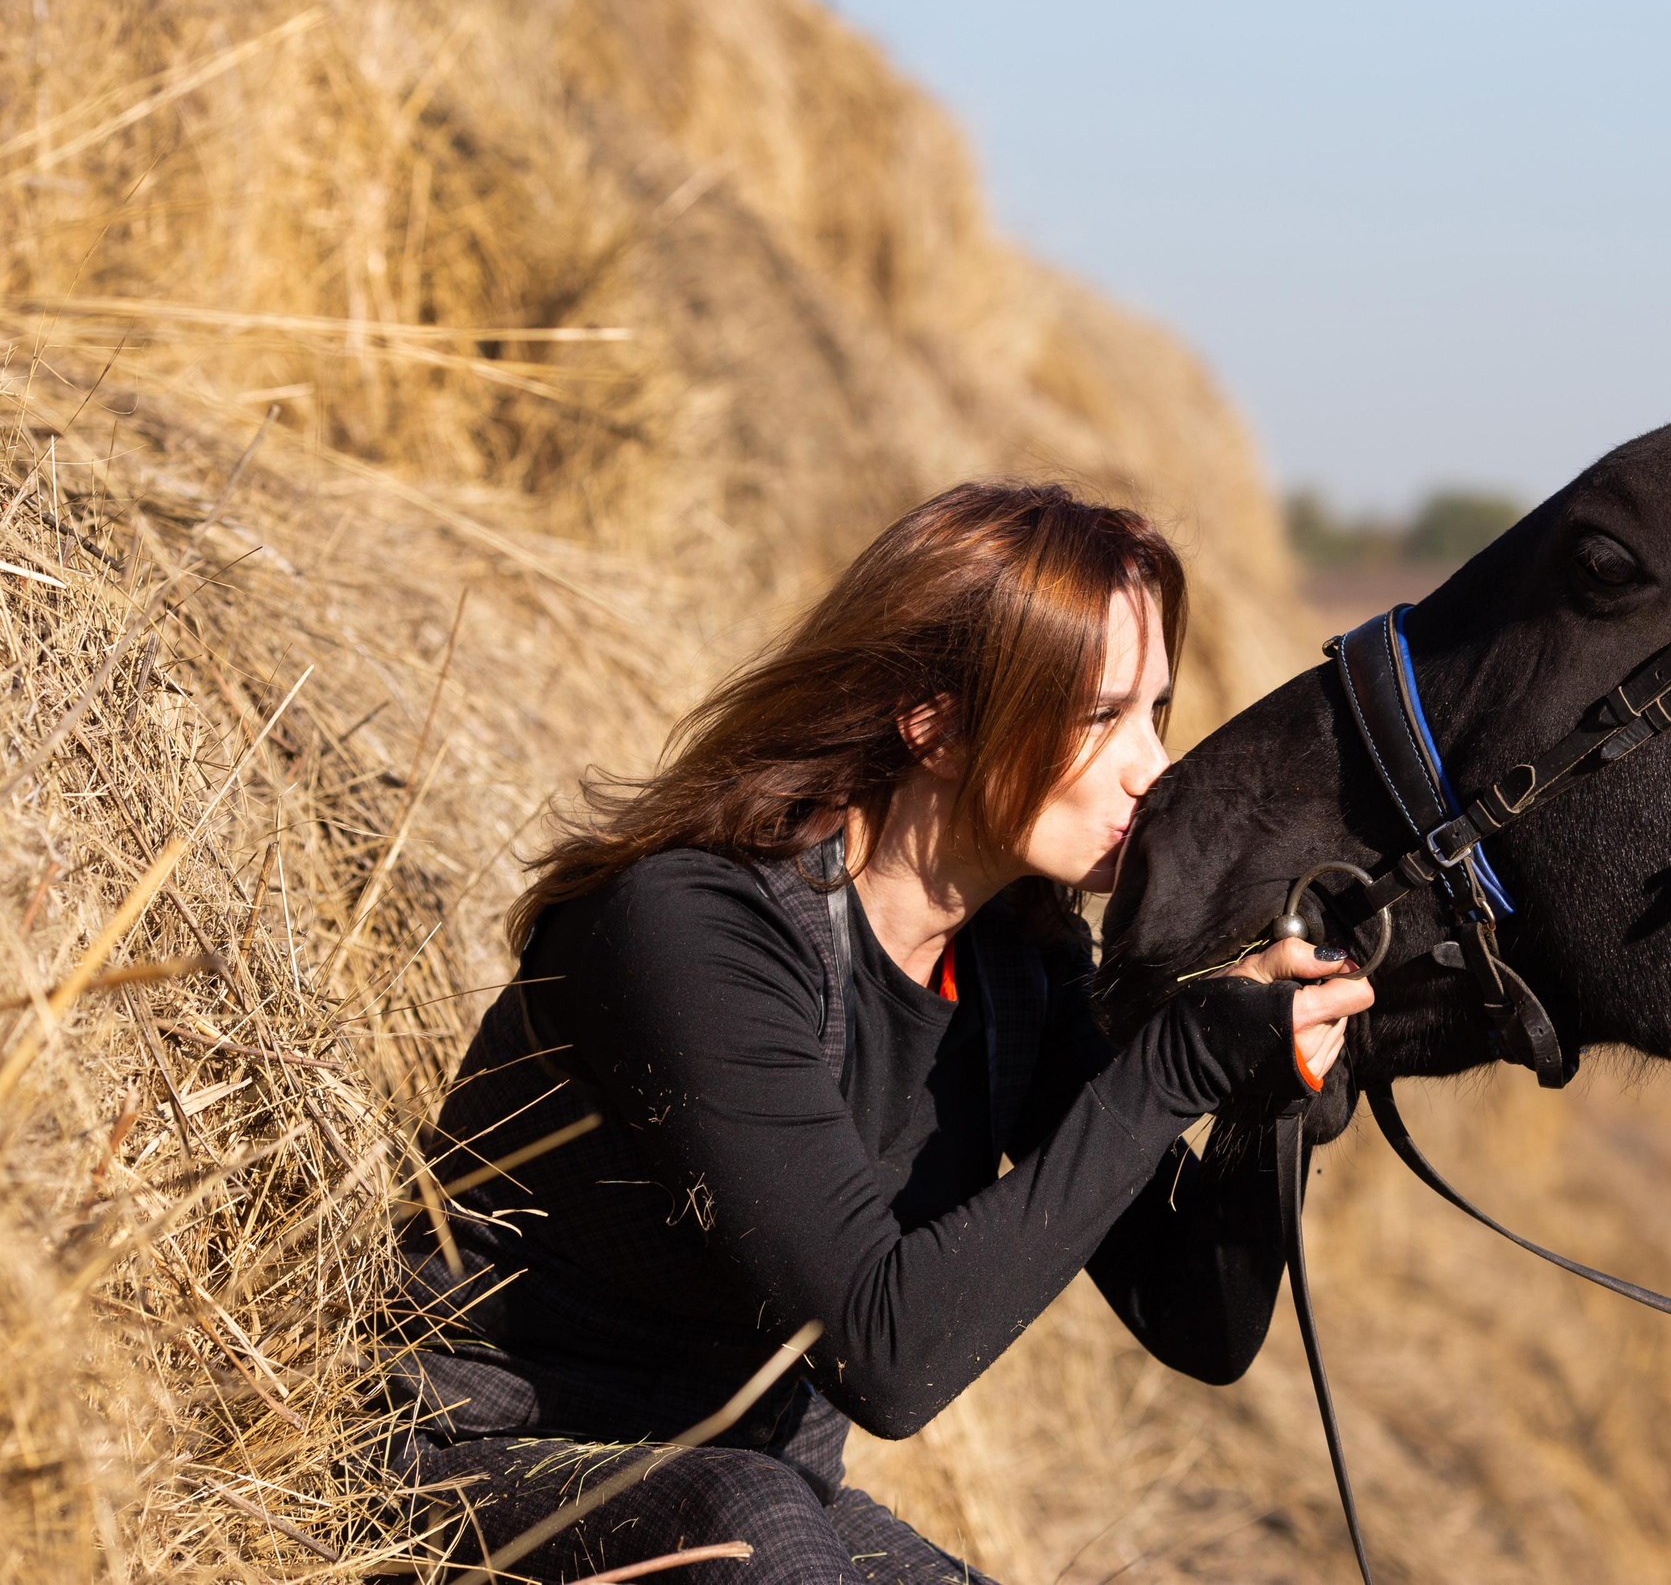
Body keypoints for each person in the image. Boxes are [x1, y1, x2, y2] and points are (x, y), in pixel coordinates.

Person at [386, 483, 1367, 1584]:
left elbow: (1198, 1319)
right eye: (1100, 717)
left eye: (1156, 712)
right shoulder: (694, 927)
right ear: (933, 721)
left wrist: (1268, 1104)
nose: (1153, 767)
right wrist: (1174, 1066)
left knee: (780, 1521)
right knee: (747, 1515)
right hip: (468, 1476)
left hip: (754, 1502)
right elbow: (886, 1358)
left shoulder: (1014, 963)